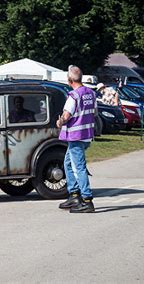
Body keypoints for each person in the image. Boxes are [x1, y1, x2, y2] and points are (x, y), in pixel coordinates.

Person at [56, 65, 97, 213]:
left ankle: (87, 200)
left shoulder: (73, 95)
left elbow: (66, 116)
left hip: (75, 136)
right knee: (67, 163)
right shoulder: (91, 93)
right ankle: (74, 195)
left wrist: (59, 122)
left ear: (69, 80)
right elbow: (95, 112)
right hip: (86, 134)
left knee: (78, 167)